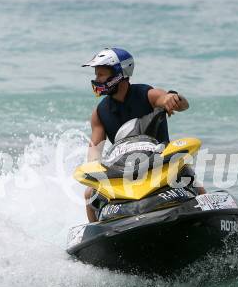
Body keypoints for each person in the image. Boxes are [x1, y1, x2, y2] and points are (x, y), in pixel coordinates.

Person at [82, 47, 203, 222]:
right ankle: (95, 237)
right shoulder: (99, 113)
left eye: (101, 75)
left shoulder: (147, 94)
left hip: (162, 163)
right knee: (88, 194)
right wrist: (93, 170)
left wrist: (173, 97)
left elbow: (178, 103)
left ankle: (210, 215)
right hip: (123, 170)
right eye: (96, 75)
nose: (96, 80)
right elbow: (95, 149)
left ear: (119, 73)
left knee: (189, 175)